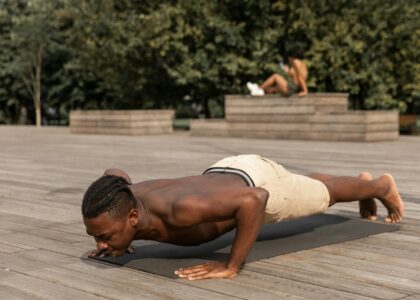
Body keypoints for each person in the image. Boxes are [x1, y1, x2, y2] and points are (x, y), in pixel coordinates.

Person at [82, 154, 404, 281]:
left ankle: (380, 186)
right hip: (225, 170)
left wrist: (230, 266)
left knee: (322, 196)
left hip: (253, 183)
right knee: (305, 183)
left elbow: (255, 200)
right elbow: (115, 173)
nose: (101, 243)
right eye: (98, 236)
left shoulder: (180, 210)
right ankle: (363, 184)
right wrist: (118, 239)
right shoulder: (124, 196)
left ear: (134, 217)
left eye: (106, 236)